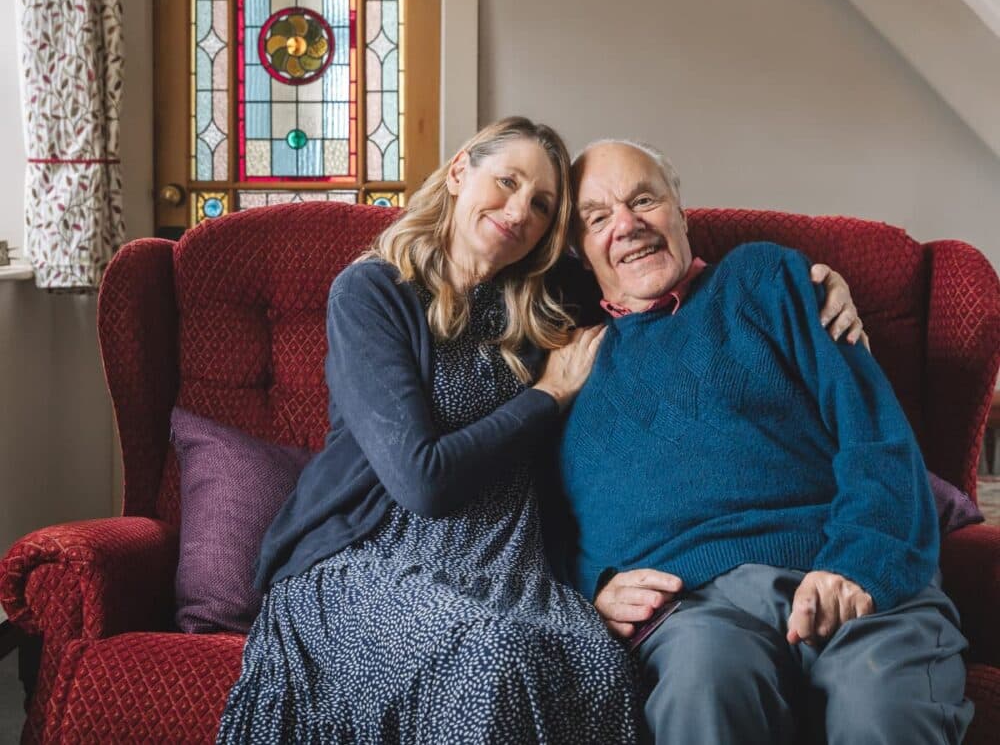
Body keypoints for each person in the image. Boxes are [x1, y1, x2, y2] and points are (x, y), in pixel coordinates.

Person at [217, 118, 859, 744]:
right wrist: (548, 395)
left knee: (599, 662)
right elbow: (422, 480)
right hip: (372, 554)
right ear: (462, 170)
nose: (520, 209)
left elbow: (656, 271)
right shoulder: (373, 292)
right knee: (491, 657)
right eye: (507, 181)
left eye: (543, 204)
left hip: (510, 561)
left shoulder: (547, 299)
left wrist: (809, 286)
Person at [557, 139, 973, 744]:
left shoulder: (765, 279)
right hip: (694, 610)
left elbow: (877, 437)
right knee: (703, 689)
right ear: (580, 249)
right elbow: (544, 522)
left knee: (877, 707)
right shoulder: (569, 369)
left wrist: (856, 566)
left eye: (643, 199)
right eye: (597, 218)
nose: (626, 225)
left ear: (680, 209)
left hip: (841, 563)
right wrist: (593, 588)